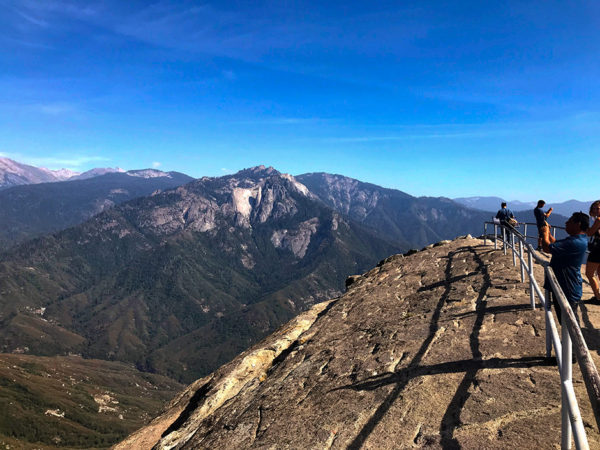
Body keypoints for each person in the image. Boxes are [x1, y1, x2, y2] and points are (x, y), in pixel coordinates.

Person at [541, 212, 589, 324]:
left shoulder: (575, 242)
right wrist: (548, 234)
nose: (566, 222)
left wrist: (545, 233)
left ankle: (576, 342)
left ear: (578, 224)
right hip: (567, 286)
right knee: (567, 323)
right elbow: (556, 244)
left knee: (570, 325)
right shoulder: (578, 239)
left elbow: (547, 248)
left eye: (570, 221)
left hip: (567, 288)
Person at [585, 200, 600, 302]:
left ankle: (598, 298)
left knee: (589, 274)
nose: (596, 210)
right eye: (594, 208)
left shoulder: (598, 220)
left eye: (598, 208)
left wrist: (584, 226)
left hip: (598, 249)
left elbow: (590, 233)